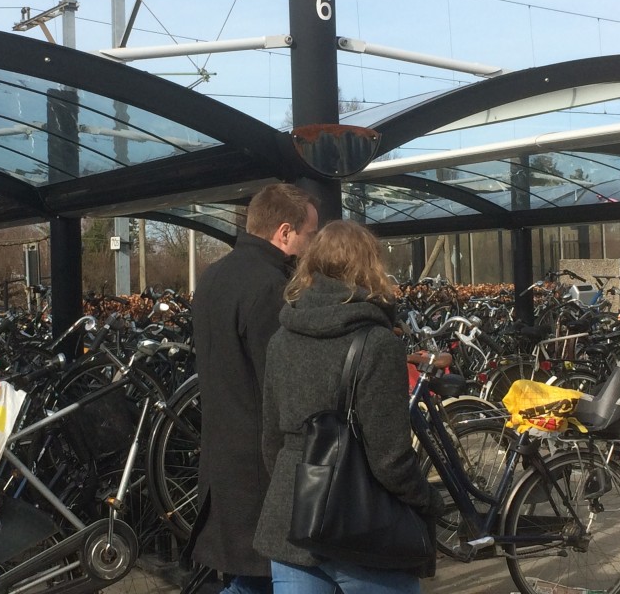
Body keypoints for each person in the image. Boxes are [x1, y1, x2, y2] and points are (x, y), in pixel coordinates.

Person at [253, 220, 444, 594]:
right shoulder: (378, 343)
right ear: (368, 267)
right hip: (363, 527)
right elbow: (390, 460)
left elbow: (271, 440)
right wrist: (428, 500)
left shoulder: (281, 338)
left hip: (291, 521)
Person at [190, 183, 320, 594]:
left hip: (221, 459)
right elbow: (281, 384)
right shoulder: (269, 286)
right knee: (263, 578)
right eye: (309, 236)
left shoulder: (213, 276)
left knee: (250, 580)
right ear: (284, 233)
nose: (311, 247)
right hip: (260, 469)